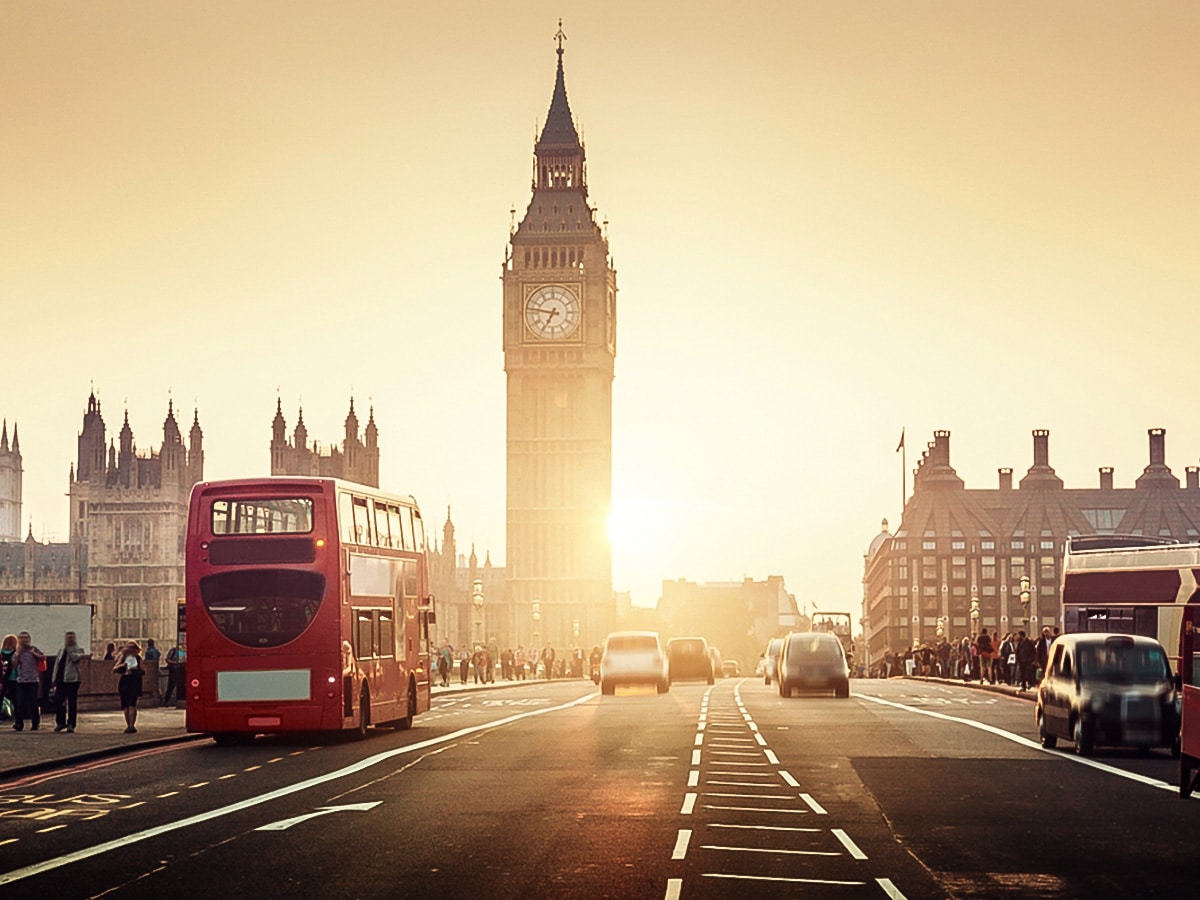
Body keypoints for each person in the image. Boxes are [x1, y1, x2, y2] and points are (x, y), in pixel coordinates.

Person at [52, 631, 86, 733]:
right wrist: (53, 678)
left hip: (72, 679)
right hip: (61, 679)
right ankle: (60, 722)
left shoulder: (79, 650)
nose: (70, 640)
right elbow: (57, 665)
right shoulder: (61, 650)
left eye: (72, 638)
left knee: (72, 702)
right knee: (59, 701)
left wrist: (70, 650)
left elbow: (75, 658)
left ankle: (71, 723)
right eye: (68, 638)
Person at [12, 631, 46, 732]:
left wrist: (34, 654)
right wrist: (18, 655)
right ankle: (19, 724)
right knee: (19, 703)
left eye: (26, 638)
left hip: (33, 680)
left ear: (29, 639)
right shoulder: (17, 651)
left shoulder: (34, 649)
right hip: (21, 681)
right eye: (22, 638)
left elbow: (43, 657)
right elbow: (14, 665)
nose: (24, 640)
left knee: (33, 703)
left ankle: (35, 724)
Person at [113, 641, 145, 734]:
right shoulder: (123, 658)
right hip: (125, 681)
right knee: (126, 705)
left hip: (134, 681)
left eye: (132, 648)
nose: (130, 650)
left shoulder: (138, 659)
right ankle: (129, 725)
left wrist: (135, 670)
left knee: (132, 704)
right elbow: (114, 669)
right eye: (129, 648)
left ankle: (131, 725)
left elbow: (143, 671)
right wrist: (122, 666)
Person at [0, 634, 18, 717]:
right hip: (13, 677)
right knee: (15, 698)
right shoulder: (16, 653)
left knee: (1, 697)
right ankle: (17, 717)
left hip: (2, 679)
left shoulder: (1, 653)